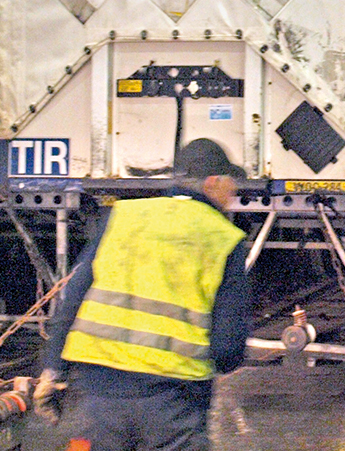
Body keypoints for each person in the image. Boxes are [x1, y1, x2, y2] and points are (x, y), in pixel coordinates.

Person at [32, 138, 251, 451]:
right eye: (231, 185)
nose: (233, 195)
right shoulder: (223, 238)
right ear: (212, 183)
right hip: (175, 402)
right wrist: (223, 362)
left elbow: (74, 296)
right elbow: (228, 347)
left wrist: (53, 369)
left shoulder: (121, 216)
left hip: (99, 394)